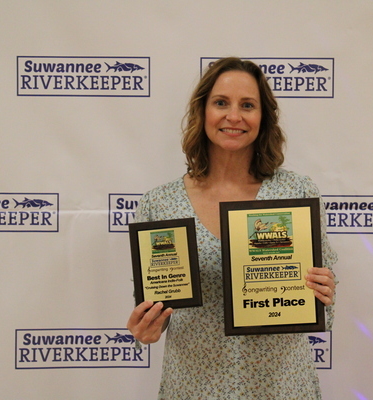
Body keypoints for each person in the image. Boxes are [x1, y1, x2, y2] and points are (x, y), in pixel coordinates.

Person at [127, 57, 338, 400]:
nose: (234, 116)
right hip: (194, 387)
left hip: (281, 387)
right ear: (202, 111)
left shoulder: (296, 193)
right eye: (221, 103)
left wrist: (324, 290)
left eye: (248, 105)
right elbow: (158, 303)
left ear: (263, 117)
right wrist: (148, 325)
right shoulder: (160, 203)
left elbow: (322, 298)